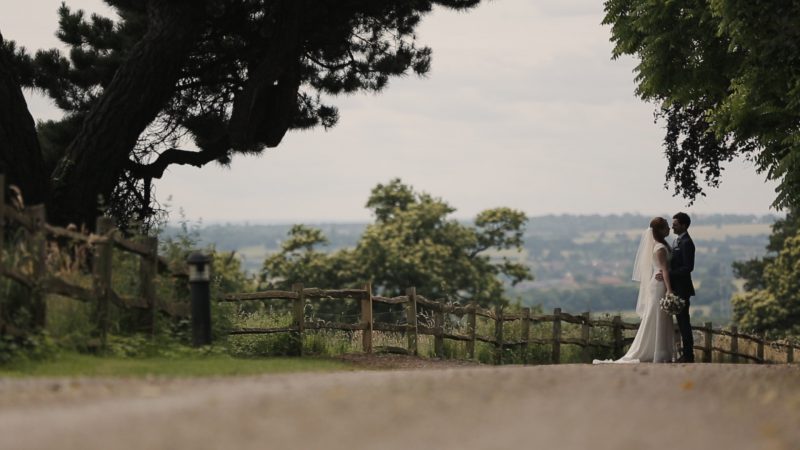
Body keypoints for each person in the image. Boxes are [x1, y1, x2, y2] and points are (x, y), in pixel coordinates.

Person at [594, 217, 675, 363]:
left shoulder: (662, 245)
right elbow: (664, 270)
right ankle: (657, 351)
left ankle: (661, 351)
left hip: (659, 283)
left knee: (660, 317)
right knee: (656, 316)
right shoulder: (660, 248)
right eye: (666, 227)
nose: (669, 229)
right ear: (660, 230)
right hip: (660, 286)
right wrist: (669, 290)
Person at [658, 212, 696, 363]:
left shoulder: (687, 243)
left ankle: (688, 355)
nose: (672, 227)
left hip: (682, 288)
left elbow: (688, 267)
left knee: (684, 322)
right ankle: (685, 354)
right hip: (675, 287)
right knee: (680, 323)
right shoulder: (676, 241)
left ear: (684, 226)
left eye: (675, 224)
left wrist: (669, 274)